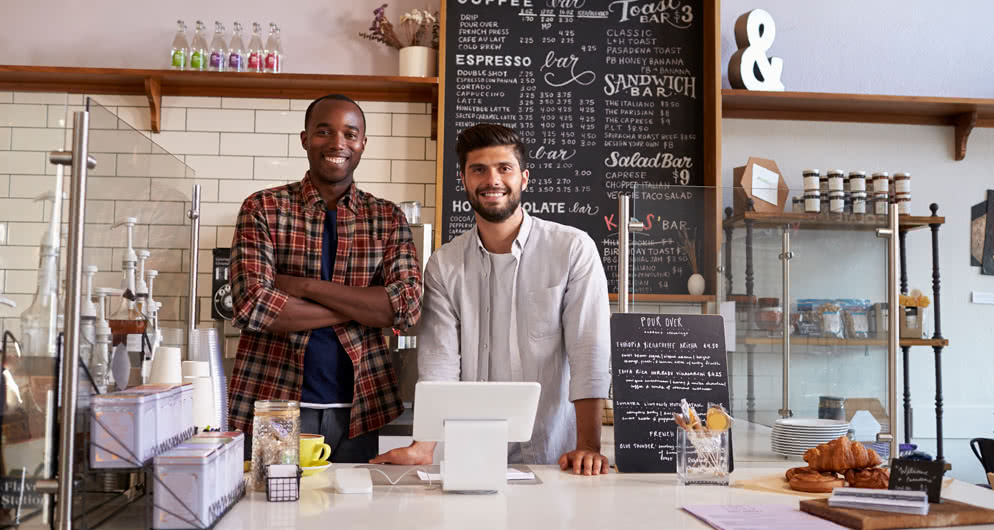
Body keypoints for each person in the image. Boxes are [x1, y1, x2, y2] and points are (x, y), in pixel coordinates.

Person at [372, 123, 612, 475]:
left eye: (504, 168)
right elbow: (439, 364)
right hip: (472, 458)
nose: (492, 180)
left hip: (556, 459)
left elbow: (588, 352)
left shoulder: (572, 249)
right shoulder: (445, 264)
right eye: (479, 170)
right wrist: (423, 446)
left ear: (524, 178)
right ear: (465, 181)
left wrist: (588, 447)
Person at [228, 94, 422, 463]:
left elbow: (406, 306)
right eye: (324, 131)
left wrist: (303, 287)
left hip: (361, 408)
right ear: (304, 139)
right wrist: (366, 306)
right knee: (274, 516)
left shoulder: (386, 217)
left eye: (350, 134)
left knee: (350, 518)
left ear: (363, 143)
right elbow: (253, 306)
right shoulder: (264, 208)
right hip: (276, 405)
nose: (337, 143)